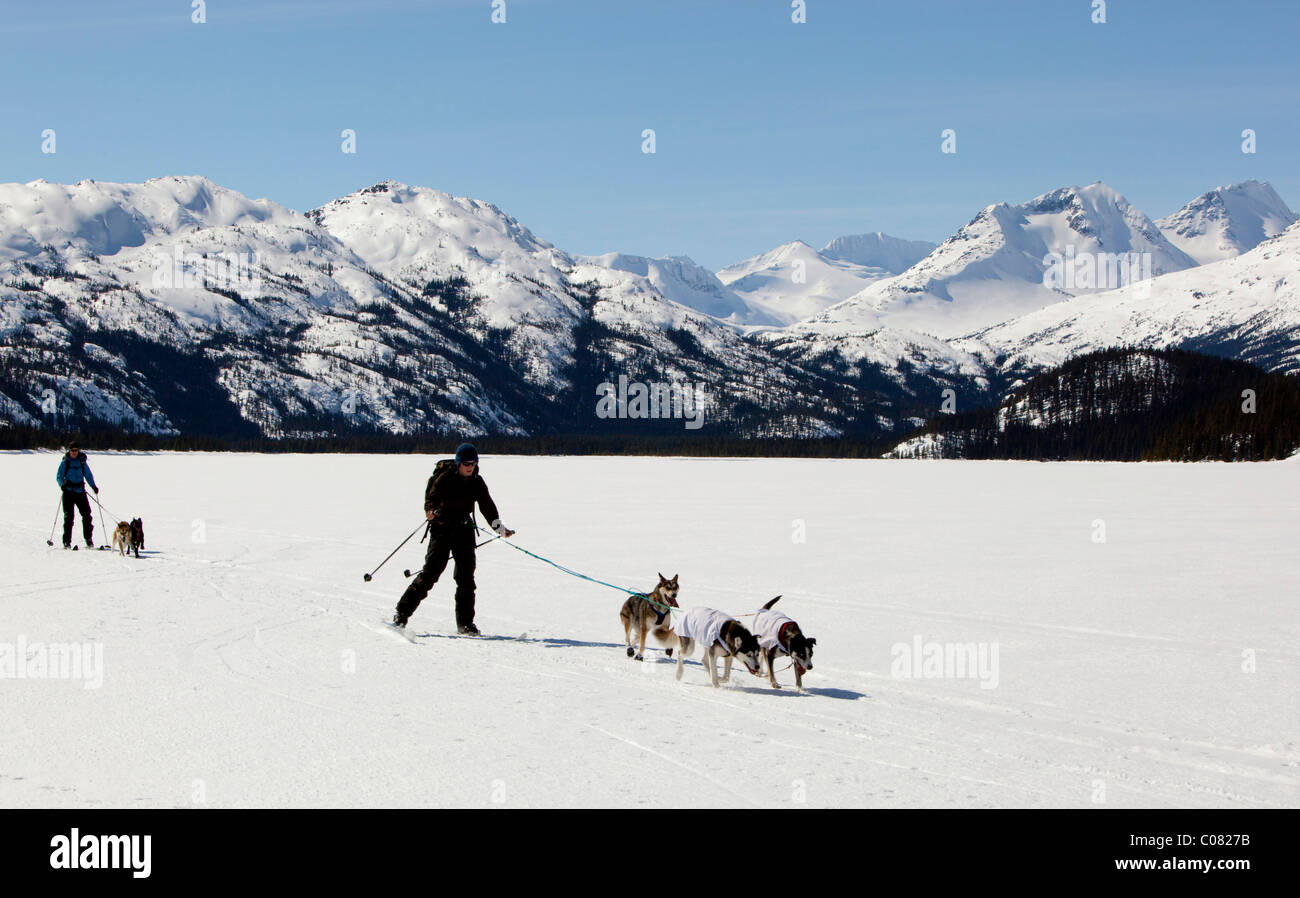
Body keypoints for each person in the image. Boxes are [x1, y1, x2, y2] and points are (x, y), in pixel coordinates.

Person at [393, 443, 514, 635]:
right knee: (430, 574)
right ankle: (401, 614)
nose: (469, 466)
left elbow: (487, 506)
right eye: (466, 463)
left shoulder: (477, 482)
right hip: (441, 530)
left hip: (464, 532)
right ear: (458, 463)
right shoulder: (445, 478)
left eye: (473, 463)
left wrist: (500, 529)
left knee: (466, 579)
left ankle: (465, 625)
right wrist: (430, 511)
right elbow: (431, 499)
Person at [56, 443, 99, 549]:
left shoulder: (82, 462)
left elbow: (88, 475)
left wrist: (93, 486)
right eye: (72, 450)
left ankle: (88, 540)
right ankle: (67, 542)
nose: (74, 452)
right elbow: (59, 476)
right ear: (69, 450)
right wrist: (62, 485)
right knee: (69, 518)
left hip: (80, 492)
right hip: (68, 492)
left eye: (76, 450)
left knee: (87, 516)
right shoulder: (65, 462)